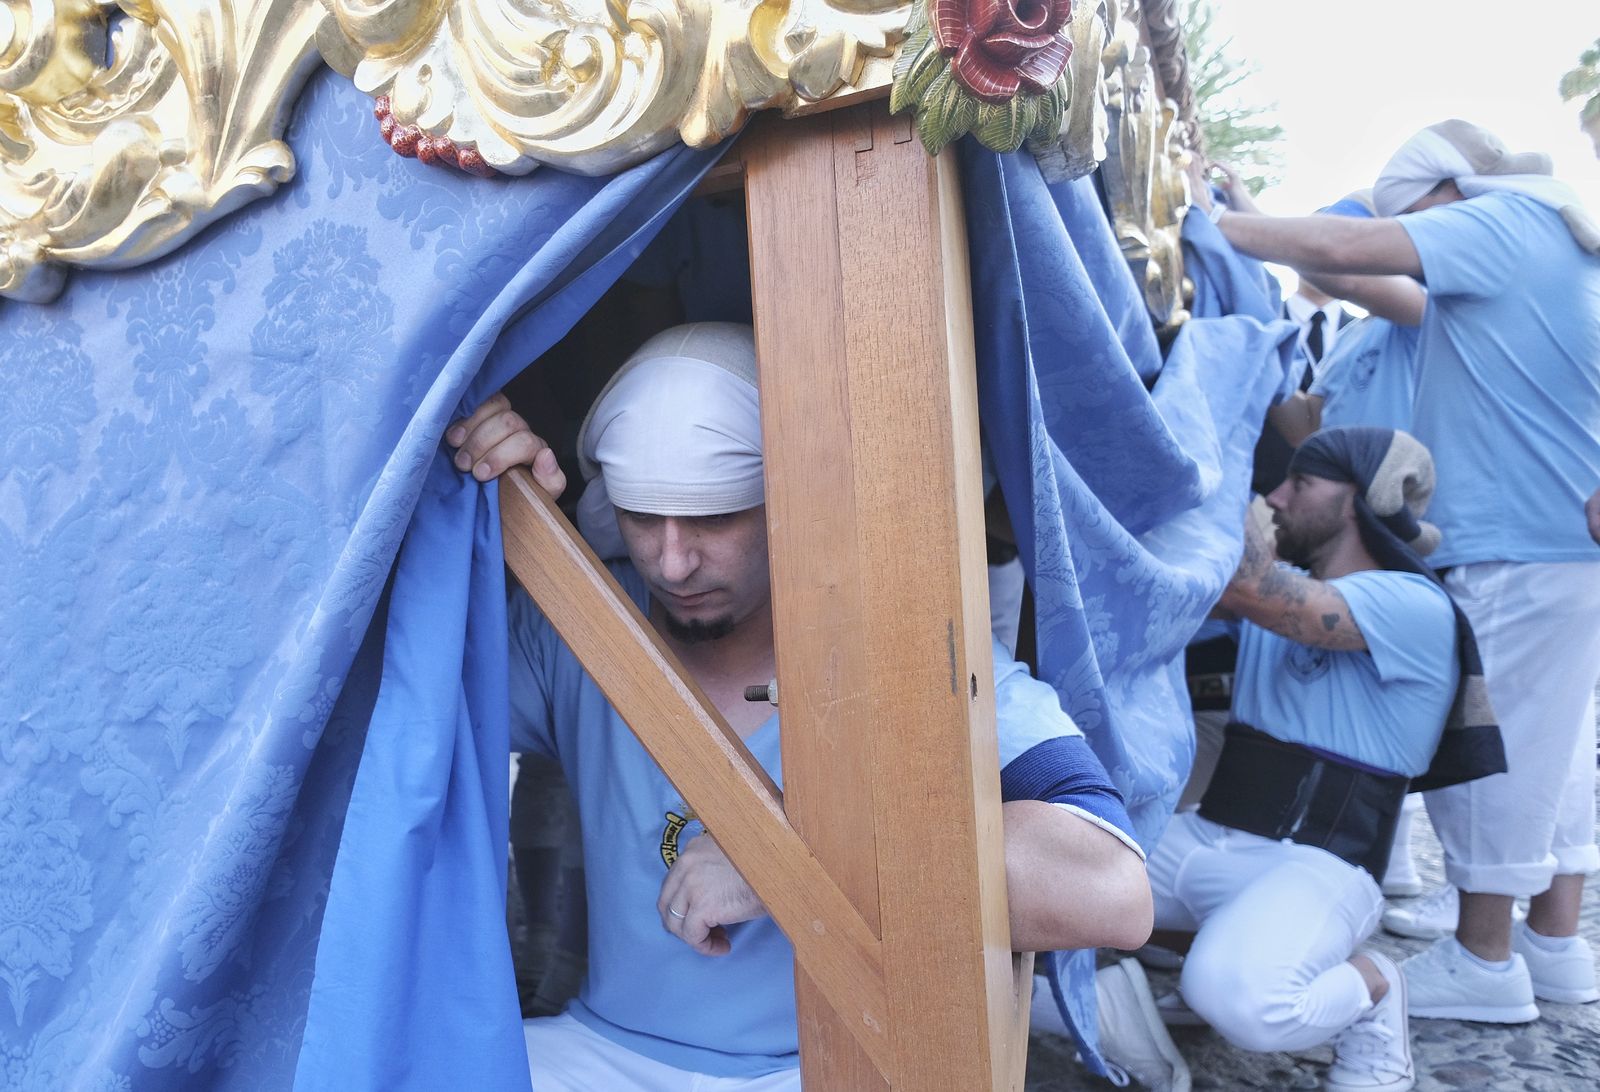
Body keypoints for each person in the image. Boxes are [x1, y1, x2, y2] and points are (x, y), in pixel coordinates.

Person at [447, 322, 1153, 1090]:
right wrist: (478, 521)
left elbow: (1112, 890)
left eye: (715, 517)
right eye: (644, 517)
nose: (673, 561)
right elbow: (398, 714)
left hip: (820, 1067)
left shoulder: (903, 651)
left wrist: (801, 858)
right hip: (599, 1055)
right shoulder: (577, 624)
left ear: (790, 499)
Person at [1195, 119, 1600, 1023]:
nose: (1412, 240)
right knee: (1551, 758)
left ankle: (1487, 963)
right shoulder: (1548, 249)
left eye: (1410, 220)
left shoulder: (1505, 224)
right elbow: (1344, 272)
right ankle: (1546, 949)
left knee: (1495, 763)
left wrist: (1208, 223)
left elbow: (1343, 248)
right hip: (1551, 539)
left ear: (1442, 200)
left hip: (1511, 540)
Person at [1150, 427, 1477, 1092]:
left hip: (1318, 860)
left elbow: (1250, 588)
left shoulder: (1416, 603)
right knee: (1049, 892)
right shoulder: (1285, 582)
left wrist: (1230, 480)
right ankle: (1185, 982)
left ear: (1361, 498)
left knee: (1246, 1001)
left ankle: (1372, 986)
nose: (1276, 496)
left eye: (1299, 483)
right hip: (1208, 835)